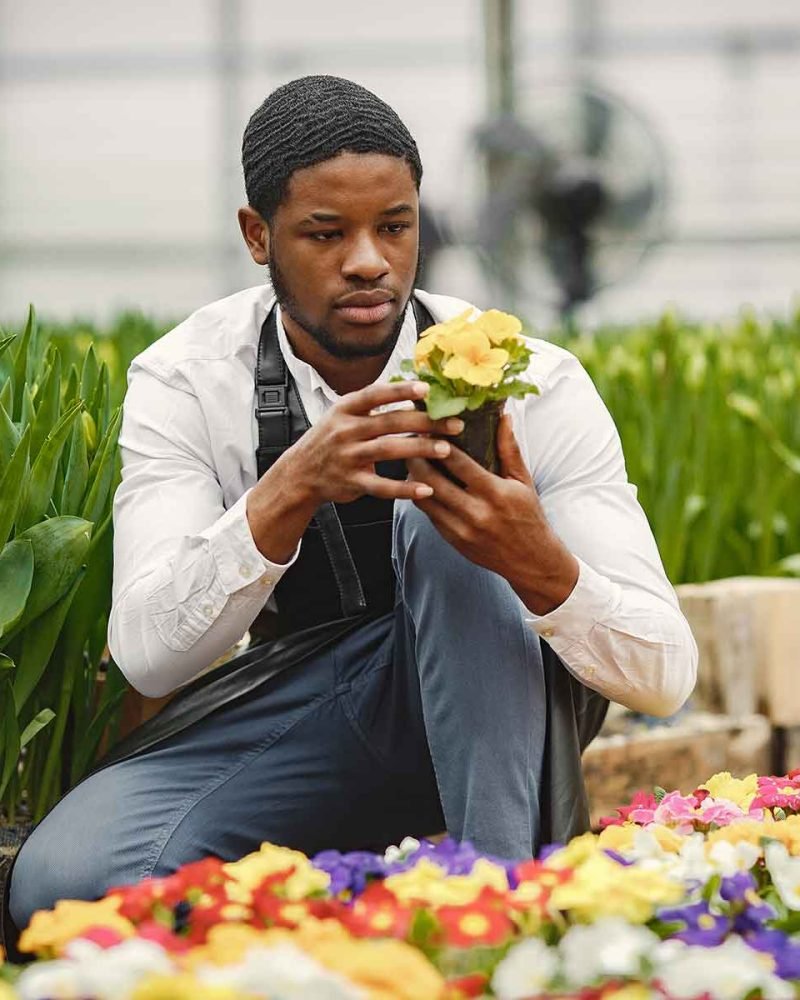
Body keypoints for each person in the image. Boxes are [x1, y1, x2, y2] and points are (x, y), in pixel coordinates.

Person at [6, 75, 697, 940]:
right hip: (307, 713)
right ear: (258, 236)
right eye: (326, 233)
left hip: (501, 713)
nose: (369, 260)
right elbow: (148, 658)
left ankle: (498, 910)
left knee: (451, 532)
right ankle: (355, 892)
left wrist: (535, 560)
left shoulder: (536, 380)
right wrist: (288, 489)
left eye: (396, 227)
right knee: (68, 888)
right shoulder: (186, 380)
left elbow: (666, 678)